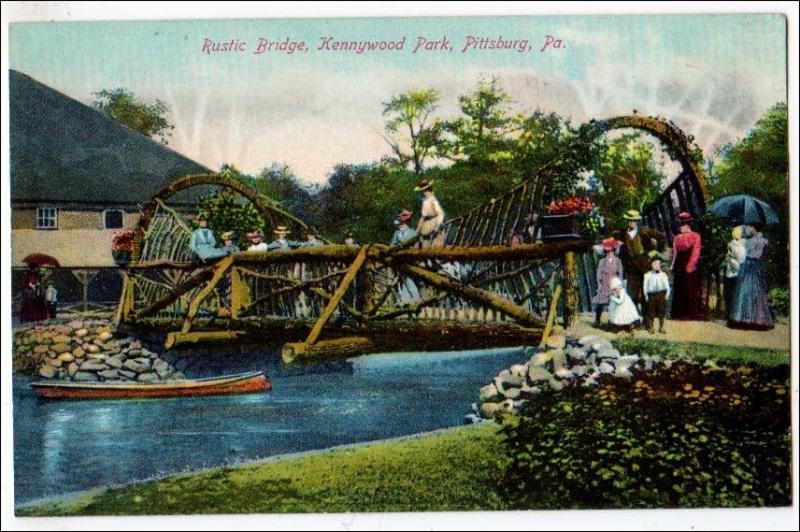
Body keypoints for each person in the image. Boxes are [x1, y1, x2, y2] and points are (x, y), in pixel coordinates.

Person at [615, 209, 666, 317]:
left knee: (645, 294)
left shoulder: (645, 231)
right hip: (631, 267)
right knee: (631, 295)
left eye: (634, 220)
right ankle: (635, 318)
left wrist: (656, 251)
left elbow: (662, 237)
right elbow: (620, 250)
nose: (631, 223)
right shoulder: (622, 233)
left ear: (637, 221)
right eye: (629, 220)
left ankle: (647, 321)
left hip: (644, 265)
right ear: (627, 221)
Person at [728, 224, 774, 330]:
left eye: (750, 227)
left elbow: (761, 254)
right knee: (747, 291)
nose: (748, 229)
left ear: (755, 228)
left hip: (752, 266)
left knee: (752, 291)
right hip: (752, 265)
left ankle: (751, 319)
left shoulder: (758, 241)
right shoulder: (759, 241)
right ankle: (747, 319)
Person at [670, 211, 706, 320]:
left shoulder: (695, 236)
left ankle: (689, 313)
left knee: (689, 288)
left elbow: (696, 251)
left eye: (682, 225)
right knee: (678, 287)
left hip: (689, 263)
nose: (680, 227)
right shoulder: (677, 238)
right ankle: (678, 313)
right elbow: (674, 252)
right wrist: (672, 265)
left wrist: (690, 265)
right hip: (679, 263)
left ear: (687, 225)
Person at [390, 210, 420, 305]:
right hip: (398, 261)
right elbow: (391, 246)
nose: (399, 223)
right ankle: (402, 300)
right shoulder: (396, 233)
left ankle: (414, 300)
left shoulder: (413, 233)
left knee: (409, 280)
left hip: (409, 261)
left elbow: (416, 247)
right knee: (400, 280)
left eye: (400, 221)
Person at [593, 237, 624, 327]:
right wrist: (600, 285)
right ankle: (597, 319)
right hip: (605, 284)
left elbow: (620, 273)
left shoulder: (618, 261)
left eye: (611, 251)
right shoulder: (602, 261)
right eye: (607, 252)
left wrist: (619, 285)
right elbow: (598, 274)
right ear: (605, 252)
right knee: (601, 303)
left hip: (614, 285)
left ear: (614, 251)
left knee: (614, 303)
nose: (609, 253)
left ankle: (613, 322)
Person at [722, 225, 746, 320]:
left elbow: (740, 258)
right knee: (730, 294)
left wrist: (731, 254)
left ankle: (733, 315)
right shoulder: (732, 243)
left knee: (733, 294)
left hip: (736, 271)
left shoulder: (738, 244)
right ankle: (729, 314)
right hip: (731, 271)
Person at [643, 251, 670, 334]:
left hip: (661, 294)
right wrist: (646, 295)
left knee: (661, 311)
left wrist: (667, 294)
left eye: (658, 264)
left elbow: (667, 286)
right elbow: (645, 286)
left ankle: (661, 326)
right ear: (651, 265)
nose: (656, 266)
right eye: (654, 264)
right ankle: (651, 327)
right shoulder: (647, 275)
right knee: (651, 311)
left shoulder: (663, 275)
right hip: (651, 295)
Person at [415, 180, 445, 248]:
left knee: (436, 245)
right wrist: (418, 229)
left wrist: (437, 225)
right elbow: (423, 216)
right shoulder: (425, 201)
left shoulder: (433, 200)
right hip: (426, 225)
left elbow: (441, 213)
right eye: (423, 191)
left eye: (426, 191)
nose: (424, 193)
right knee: (425, 244)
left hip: (434, 223)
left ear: (429, 190)